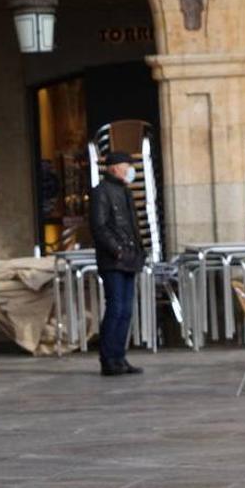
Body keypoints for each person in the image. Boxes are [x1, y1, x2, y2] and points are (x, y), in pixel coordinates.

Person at [89, 150, 145, 377]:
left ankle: (119, 356)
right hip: (114, 259)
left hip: (129, 257)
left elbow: (131, 226)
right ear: (114, 168)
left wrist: (138, 252)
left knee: (126, 310)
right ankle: (109, 358)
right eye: (126, 165)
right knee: (116, 307)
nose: (130, 170)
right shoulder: (101, 192)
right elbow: (99, 226)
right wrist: (117, 250)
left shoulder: (125, 192)